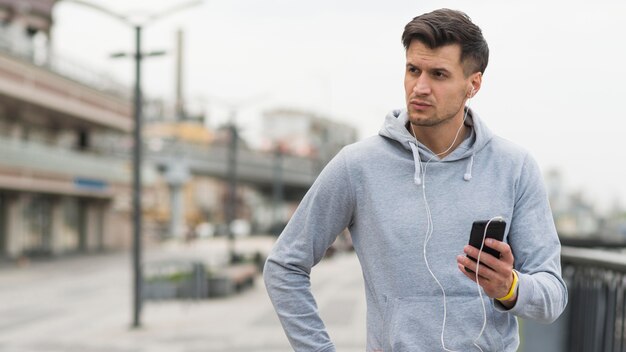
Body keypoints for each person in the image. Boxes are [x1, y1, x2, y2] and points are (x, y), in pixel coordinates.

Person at [264, 8, 567, 352]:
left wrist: (508, 287)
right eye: (413, 70)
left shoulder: (515, 167)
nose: (420, 87)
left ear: (473, 84)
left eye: (439, 74)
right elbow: (284, 266)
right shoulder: (358, 165)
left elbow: (552, 296)